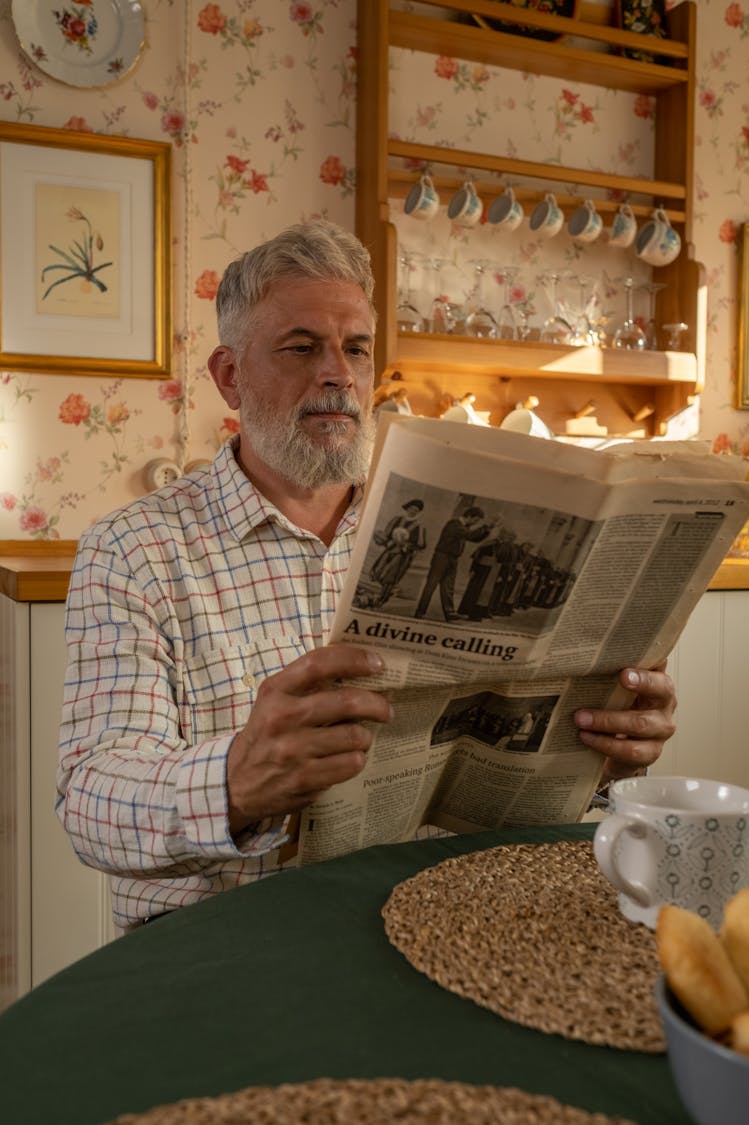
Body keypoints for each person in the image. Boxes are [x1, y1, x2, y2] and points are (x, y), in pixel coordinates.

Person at [56, 219, 677, 930]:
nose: (338, 374)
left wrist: (602, 751)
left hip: (429, 923)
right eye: (302, 347)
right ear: (230, 376)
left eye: (355, 349)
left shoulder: (450, 528)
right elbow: (91, 801)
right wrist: (235, 781)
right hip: (219, 940)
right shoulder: (135, 549)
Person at [414, 506, 490, 621]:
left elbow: (475, 539)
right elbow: (470, 535)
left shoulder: (464, 527)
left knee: (448, 587)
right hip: (442, 557)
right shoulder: (454, 524)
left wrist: (487, 530)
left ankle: (449, 613)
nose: (475, 523)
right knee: (431, 585)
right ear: (469, 516)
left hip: (452, 559)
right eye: (476, 520)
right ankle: (420, 612)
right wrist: (486, 527)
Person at [369, 499, 426, 606]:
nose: (413, 511)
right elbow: (387, 535)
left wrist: (406, 545)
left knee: (390, 576)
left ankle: (382, 599)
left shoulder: (419, 526)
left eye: (416, 510)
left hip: (402, 555)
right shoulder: (397, 520)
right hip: (390, 550)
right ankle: (382, 594)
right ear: (407, 508)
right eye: (411, 508)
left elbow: (421, 545)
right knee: (379, 571)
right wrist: (381, 538)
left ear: (418, 512)